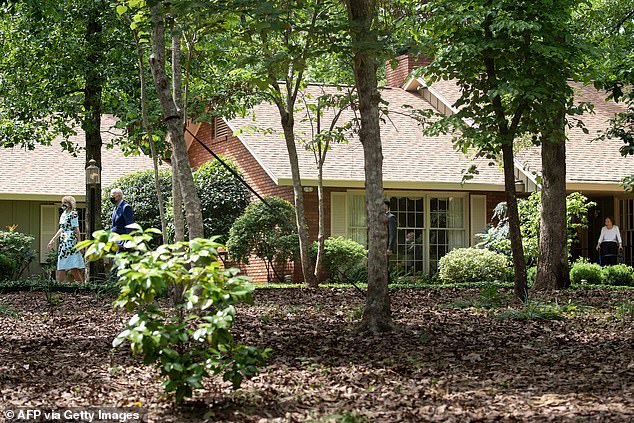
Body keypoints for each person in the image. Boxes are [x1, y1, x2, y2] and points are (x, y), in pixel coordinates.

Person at [47, 196, 85, 282]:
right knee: (65, 265)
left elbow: (77, 229)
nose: (63, 204)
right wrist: (52, 240)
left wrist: (79, 242)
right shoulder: (63, 214)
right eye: (63, 202)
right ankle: (59, 287)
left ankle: (80, 287)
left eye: (66, 203)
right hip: (63, 241)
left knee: (72, 267)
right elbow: (61, 229)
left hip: (71, 241)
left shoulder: (73, 214)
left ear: (70, 204)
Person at [384, 199, 397, 283]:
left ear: (386, 206)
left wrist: (390, 247)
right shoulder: (378, 217)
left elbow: (392, 233)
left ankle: (388, 283)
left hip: (386, 246)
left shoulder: (391, 217)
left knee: (385, 266)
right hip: (379, 246)